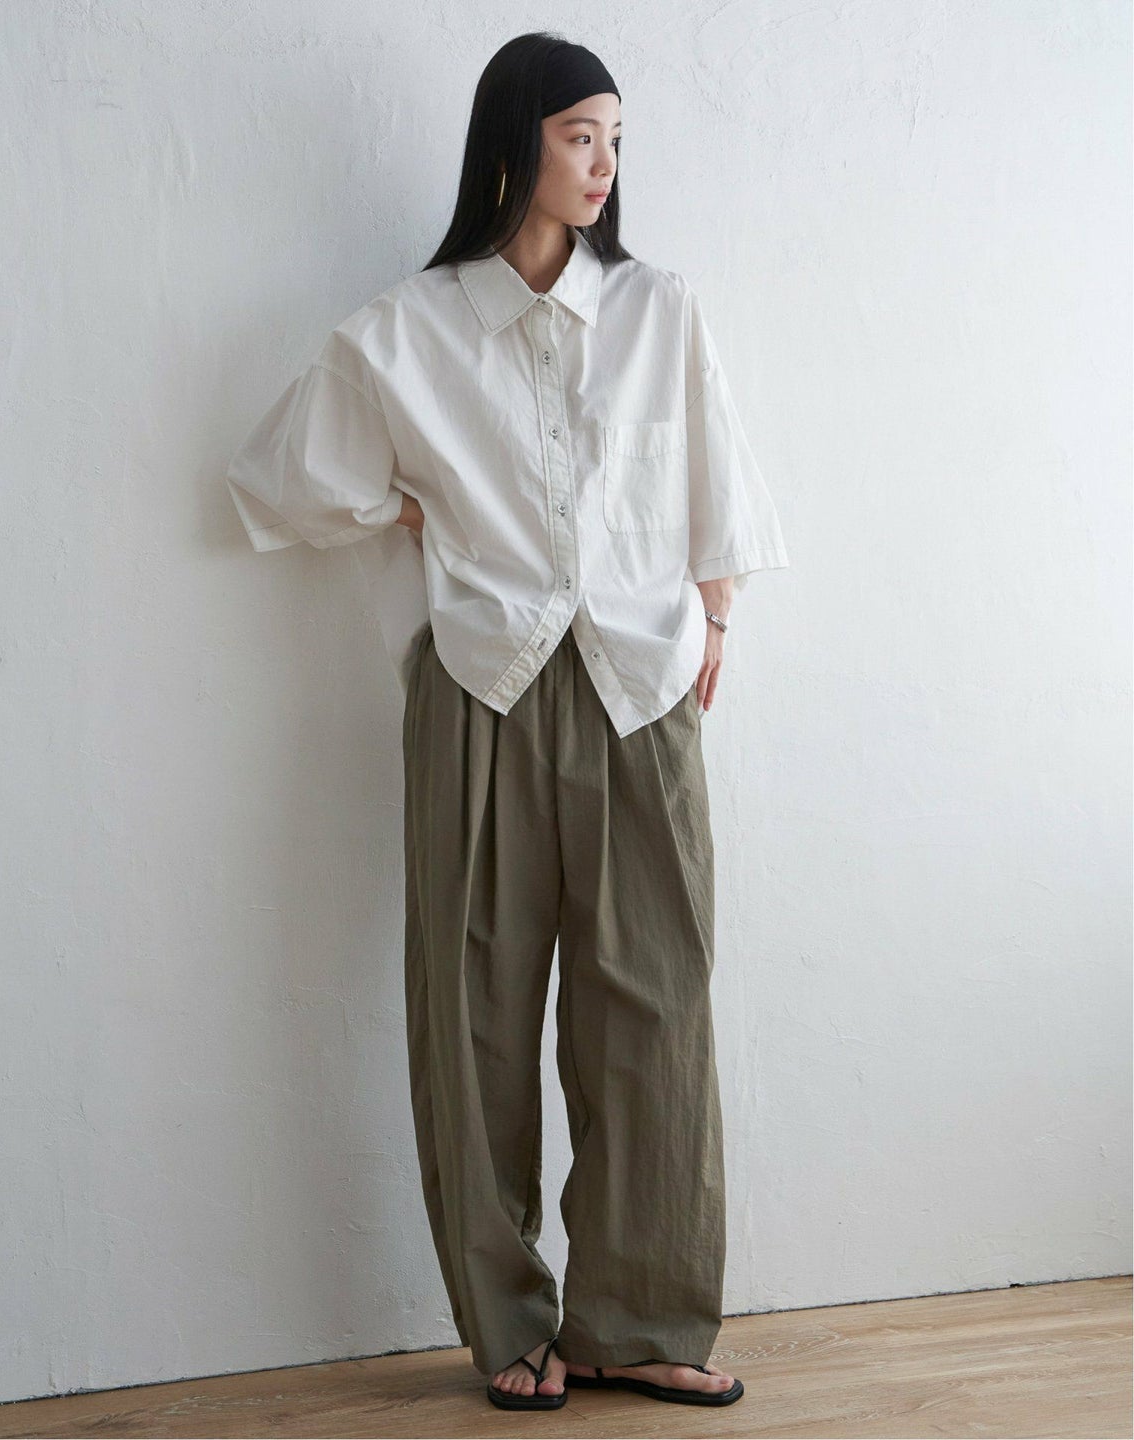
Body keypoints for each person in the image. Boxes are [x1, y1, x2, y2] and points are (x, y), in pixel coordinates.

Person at [224, 31, 789, 1414]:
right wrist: (397, 504)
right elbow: (277, 481)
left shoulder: (659, 310)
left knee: (656, 1008)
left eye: (616, 139)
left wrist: (714, 620)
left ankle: (635, 1320)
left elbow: (713, 488)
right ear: (513, 140)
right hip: (479, 690)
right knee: (472, 1012)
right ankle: (509, 1323)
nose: (604, 163)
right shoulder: (406, 331)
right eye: (580, 134)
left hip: (640, 695)